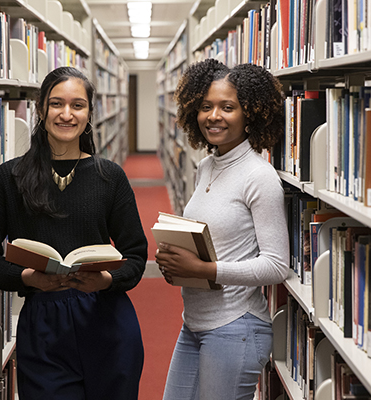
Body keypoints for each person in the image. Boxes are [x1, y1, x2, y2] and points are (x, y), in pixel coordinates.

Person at [0, 66, 148, 400]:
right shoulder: (9, 177)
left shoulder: (109, 176)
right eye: (56, 104)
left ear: (89, 113)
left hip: (107, 319)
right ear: (41, 109)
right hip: (44, 326)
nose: (66, 114)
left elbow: (137, 255)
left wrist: (107, 281)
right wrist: (28, 277)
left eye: (77, 105)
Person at [155, 59, 290, 400]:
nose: (213, 116)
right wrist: (176, 260)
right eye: (205, 107)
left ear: (250, 114)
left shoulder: (259, 176)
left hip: (237, 327)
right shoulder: (205, 166)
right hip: (195, 323)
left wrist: (205, 269)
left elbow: (276, 265)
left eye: (227, 107)